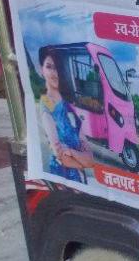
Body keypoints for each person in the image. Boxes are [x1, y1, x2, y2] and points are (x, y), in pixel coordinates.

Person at [37, 48, 96, 183]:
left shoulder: (68, 104)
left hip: (80, 179)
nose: (55, 73)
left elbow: (90, 159)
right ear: (42, 70)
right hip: (63, 178)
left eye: (58, 68)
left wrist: (72, 152)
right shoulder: (46, 104)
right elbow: (62, 157)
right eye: (49, 67)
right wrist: (82, 161)